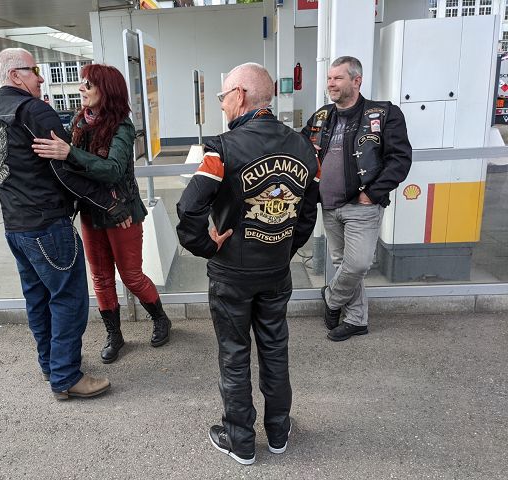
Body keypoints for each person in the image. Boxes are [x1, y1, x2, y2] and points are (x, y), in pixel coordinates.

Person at [176, 63, 320, 465]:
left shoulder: (222, 149)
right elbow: (307, 214)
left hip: (231, 274)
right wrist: (283, 249)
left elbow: (188, 208)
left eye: (223, 96)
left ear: (239, 95)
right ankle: (278, 432)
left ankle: (240, 440)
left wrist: (206, 245)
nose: (222, 105)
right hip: (276, 271)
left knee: (234, 353)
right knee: (275, 349)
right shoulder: (304, 148)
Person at [0, 48, 119, 401]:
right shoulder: (34, 111)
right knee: (69, 300)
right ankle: (67, 377)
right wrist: (108, 202)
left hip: (16, 227)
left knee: (38, 299)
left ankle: (51, 365)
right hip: (47, 225)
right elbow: (64, 171)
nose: (41, 77)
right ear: (15, 75)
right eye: (34, 70)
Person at [31, 64, 172, 365]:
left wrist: (70, 152)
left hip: (122, 213)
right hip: (91, 212)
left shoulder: (122, 126)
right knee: (101, 278)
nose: (81, 88)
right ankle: (114, 335)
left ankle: (161, 319)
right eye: (82, 83)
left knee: (131, 276)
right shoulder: (79, 122)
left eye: (88, 84)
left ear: (106, 91)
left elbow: (113, 170)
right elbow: (70, 169)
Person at [302, 56, 412, 342]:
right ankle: (356, 320)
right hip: (329, 205)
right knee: (343, 263)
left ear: (356, 80)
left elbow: (400, 160)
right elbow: (300, 148)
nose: (331, 84)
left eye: (338, 78)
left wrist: (372, 193)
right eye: (329, 78)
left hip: (362, 204)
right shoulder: (322, 116)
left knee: (358, 264)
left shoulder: (384, 114)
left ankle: (332, 299)